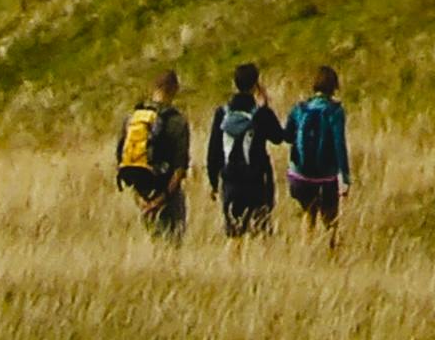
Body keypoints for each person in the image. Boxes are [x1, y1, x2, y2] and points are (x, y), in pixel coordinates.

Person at [206, 61, 290, 244]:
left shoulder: (222, 113)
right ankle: (260, 267)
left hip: (230, 181)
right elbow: (278, 137)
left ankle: (233, 269)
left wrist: (213, 181)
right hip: (256, 181)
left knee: (234, 234)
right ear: (255, 84)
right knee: (260, 231)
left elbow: (214, 151)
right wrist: (265, 106)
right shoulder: (260, 114)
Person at [117, 68, 191, 238]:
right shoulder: (177, 121)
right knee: (172, 245)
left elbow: (123, 160)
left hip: (142, 193)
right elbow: (180, 169)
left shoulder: (132, 119)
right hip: (168, 196)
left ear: (154, 87)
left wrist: (143, 200)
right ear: (174, 89)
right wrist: (160, 200)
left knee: (152, 243)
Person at [286, 62, 352, 246]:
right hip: (325, 177)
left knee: (308, 213)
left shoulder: (299, 109)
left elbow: (288, 136)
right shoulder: (335, 111)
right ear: (334, 87)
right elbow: (340, 144)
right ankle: (332, 256)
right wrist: (345, 177)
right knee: (330, 220)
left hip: (300, 175)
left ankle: (306, 252)